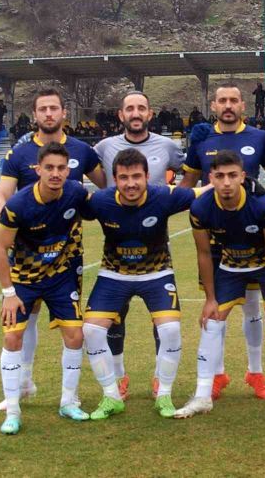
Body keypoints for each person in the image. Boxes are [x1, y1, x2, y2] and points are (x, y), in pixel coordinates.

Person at [0, 89, 105, 412]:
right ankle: (23, 381)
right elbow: (2, 195)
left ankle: (68, 396)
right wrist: (7, 229)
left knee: (70, 325)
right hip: (26, 254)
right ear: (35, 114)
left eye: (54, 107)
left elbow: (104, 188)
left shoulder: (82, 150)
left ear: (64, 113)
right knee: (25, 318)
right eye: (42, 108)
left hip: (66, 257)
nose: (49, 113)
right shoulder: (19, 153)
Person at [179, 82, 265, 400]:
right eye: (222, 100)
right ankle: (217, 375)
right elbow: (188, 182)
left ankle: (255, 373)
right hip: (216, 239)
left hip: (251, 238)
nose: (228, 105)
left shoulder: (259, 138)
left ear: (243, 105)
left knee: (253, 307)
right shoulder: (201, 138)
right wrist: (160, 205)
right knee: (216, 309)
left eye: (234, 100)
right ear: (214, 106)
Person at [81, 149, 207, 420]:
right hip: (114, 274)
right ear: (114, 179)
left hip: (157, 273)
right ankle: (111, 396)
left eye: (137, 176)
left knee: (170, 329)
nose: (131, 183)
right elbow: (67, 205)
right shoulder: (101, 201)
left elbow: (202, 192)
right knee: (91, 330)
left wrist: (239, 184)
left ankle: (164, 395)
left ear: (147, 177)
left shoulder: (163, 196)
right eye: (124, 178)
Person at [174, 150, 265, 420]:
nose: (226, 182)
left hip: (264, 265)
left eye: (232, 175)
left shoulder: (261, 204)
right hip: (231, 266)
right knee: (212, 321)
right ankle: (202, 395)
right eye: (220, 176)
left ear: (242, 176)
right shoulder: (200, 208)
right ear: (210, 178)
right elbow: (204, 253)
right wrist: (210, 298)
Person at [93, 90, 185, 399]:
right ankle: (119, 376)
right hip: (117, 243)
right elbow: (93, 176)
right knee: (114, 316)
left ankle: (160, 377)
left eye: (141, 108)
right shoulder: (104, 147)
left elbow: (190, 174)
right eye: (130, 108)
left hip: (155, 243)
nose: (135, 113)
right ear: (121, 115)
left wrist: (171, 201)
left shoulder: (167, 146)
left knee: (163, 320)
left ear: (150, 113)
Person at [0, 142, 91, 434]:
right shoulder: (18, 205)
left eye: (61, 168)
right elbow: (0, 248)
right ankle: (13, 411)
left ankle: (68, 402)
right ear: (38, 169)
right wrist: (8, 294)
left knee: (75, 336)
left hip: (61, 277)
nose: (55, 173)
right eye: (49, 167)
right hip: (24, 279)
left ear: (68, 170)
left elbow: (101, 207)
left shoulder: (75, 192)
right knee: (12, 337)